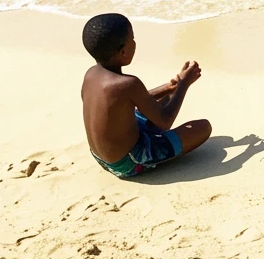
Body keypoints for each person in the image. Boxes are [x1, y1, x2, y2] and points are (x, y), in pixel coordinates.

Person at [81, 13, 211, 178]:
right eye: (132, 39)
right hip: (127, 162)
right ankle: (155, 151)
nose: (135, 43)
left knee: (168, 96)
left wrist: (170, 87)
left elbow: (127, 100)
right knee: (203, 127)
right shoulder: (129, 83)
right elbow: (165, 121)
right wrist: (184, 84)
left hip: (101, 156)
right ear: (123, 52)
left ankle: (158, 128)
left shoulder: (91, 74)